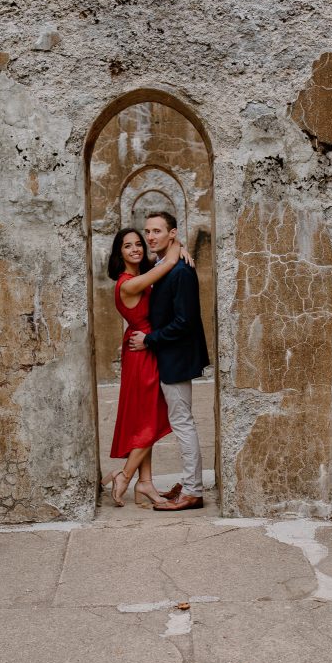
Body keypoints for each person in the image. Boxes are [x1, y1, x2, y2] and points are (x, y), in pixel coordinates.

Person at [129, 211, 209, 512]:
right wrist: (178, 250)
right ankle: (190, 485)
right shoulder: (164, 264)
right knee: (180, 421)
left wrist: (149, 340)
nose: (150, 237)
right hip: (167, 358)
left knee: (183, 423)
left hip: (175, 359)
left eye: (157, 231)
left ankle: (192, 491)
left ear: (172, 233)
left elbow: (185, 322)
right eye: (147, 231)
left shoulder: (181, 272)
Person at [103, 227, 187, 509]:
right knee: (151, 420)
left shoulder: (138, 277)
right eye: (128, 246)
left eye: (139, 244)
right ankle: (125, 475)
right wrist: (177, 248)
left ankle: (146, 482)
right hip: (142, 353)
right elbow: (170, 263)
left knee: (145, 421)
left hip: (146, 347)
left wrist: (181, 246)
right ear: (119, 253)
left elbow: (168, 260)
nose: (136, 249)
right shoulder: (127, 283)